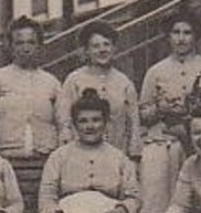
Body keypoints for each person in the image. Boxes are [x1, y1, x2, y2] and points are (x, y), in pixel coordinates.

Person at [137, 8, 201, 213]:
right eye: (176, 32)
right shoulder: (156, 71)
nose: (181, 38)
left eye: (187, 32)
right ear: (168, 36)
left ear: (196, 36)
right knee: (160, 197)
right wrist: (160, 108)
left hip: (198, 143)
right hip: (166, 142)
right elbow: (143, 114)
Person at [0, 16, 62, 213]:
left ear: (40, 46)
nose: (26, 48)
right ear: (10, 46)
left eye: (31, 42)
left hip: (43, 164)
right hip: (7, 163)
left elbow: (64, 124)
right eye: (19, 42)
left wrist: (55, 159)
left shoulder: (51, 82)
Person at [57, 20, 141, 159]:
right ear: (87, 51)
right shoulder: (74, 80)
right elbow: (65, 120)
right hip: (81, 157)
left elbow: (134, 123)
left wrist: (134, 156)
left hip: (117, 156)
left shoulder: (124, 82)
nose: (102, 50)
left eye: (107, 44)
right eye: (95, 46)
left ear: (114, 48)